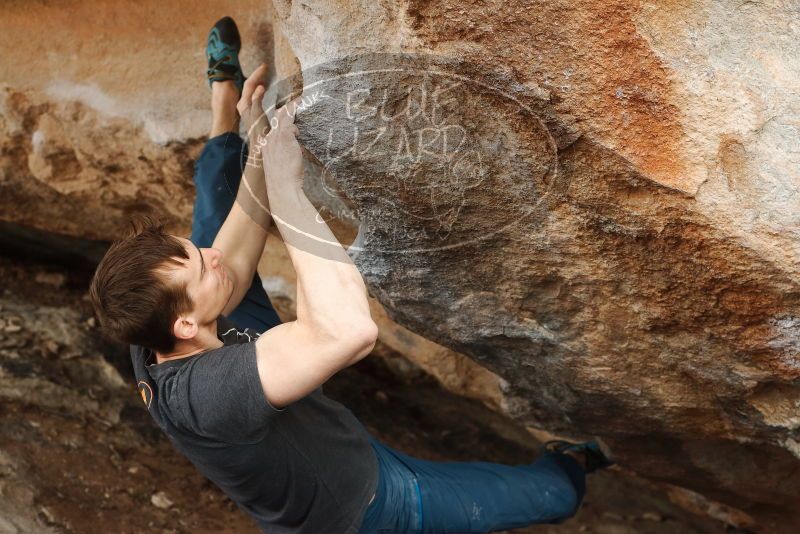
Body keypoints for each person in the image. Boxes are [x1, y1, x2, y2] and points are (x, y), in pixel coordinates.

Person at [88, 16, 613, 534]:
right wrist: (286, 187)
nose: (213, 257)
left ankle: (223, 110)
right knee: (554, 496)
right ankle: (571, 461)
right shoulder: (210, 395)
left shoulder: (151, 323)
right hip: (370, 508)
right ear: (184, 327)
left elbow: (232, 257)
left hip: (330, 436)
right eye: (202, 269)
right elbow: (348, 332)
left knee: (218, 220)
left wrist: (260, 150)